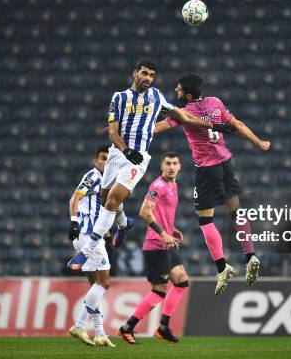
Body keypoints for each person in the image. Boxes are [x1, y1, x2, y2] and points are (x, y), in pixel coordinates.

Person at [68, 59, 231, 270]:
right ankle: (124, 224)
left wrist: (212, 125)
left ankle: (86, 251)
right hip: (118, 154)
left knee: (112, 201)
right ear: (135, 73)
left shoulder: (156, 96)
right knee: (104, 197)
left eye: (152, 75)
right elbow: (113, 132)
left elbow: (181, 115)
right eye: (144, 73)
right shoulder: (119, 98)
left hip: (139, 159)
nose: (148, 78)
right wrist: (126, 150)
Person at [154, 73, 271, 295]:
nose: (176, 92)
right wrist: (259, 142)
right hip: (226, 162)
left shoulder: (184, 113)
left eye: (179, 89)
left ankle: (222, 267)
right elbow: (236, 124)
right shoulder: (215, 102)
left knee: (205, 219)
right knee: (236, 212)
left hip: (207, 169)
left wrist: (136, 130)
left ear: (187, 94)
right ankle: (250, 255)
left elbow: (159, 127)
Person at [117, 152, 188, 344]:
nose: (172, 166)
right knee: (159, 291)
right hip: (156, 245)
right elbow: (144, 211)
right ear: (161, 167)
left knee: (181, 281)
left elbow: (160, 214)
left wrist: (171, 229)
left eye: (175, 163)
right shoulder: (158, 186)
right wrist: (163, 233)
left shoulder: (174, 186)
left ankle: (163, 327)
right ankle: (127, 327)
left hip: (167, 243)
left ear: (179, 166)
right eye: (168, 163)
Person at [67, 144, 124, 348]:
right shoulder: (93, 176)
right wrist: (73, 221)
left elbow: (100, 210)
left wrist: (108, 232)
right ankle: (79, 325)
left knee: (95, 286)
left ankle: (99, 333)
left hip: (91, 235)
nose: (105, 161)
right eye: (102, 158)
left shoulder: (108, 181)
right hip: (88, 236)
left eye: (108, 158)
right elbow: (75, 197)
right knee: (104, 283)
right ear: (95, 160)